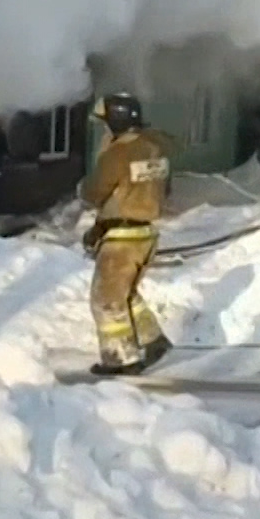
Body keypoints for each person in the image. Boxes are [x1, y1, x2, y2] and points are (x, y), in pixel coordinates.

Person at [80, 92, 177, 376]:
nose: (105, 128)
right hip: (146, 233)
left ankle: (120, 358)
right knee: (126, 293)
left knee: (106, 299)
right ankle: (153, 339)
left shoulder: (119, 153)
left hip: (121, 238)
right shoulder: (155, 148)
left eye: (106, 122)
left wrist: (83, 191)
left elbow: (95, 191)